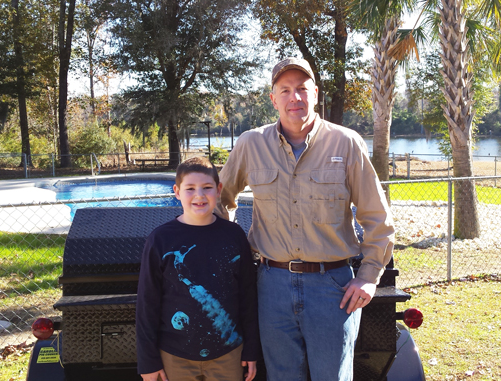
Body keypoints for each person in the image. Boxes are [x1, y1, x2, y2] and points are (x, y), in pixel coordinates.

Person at [216, 57, 395, 381]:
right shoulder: (250, 144)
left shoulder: (346, 143)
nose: (294, 97)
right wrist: (233, 257)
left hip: (333, 289)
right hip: (271, 286)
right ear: (273, 98)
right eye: (284, 90)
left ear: (315, 93)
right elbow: (220, 202)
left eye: (301, 88)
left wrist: (368, 275)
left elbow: (377, 217)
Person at [136, 156, 260, 381]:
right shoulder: (160, 240)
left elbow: (248, 298)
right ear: (176, 191)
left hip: (229, 353)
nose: (199, 196)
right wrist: (148, 361)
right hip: (174, 355)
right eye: (190, 188)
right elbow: (147, 304)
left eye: (206, 188)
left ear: (219, 189)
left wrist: (252, 348)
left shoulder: (234, 236)